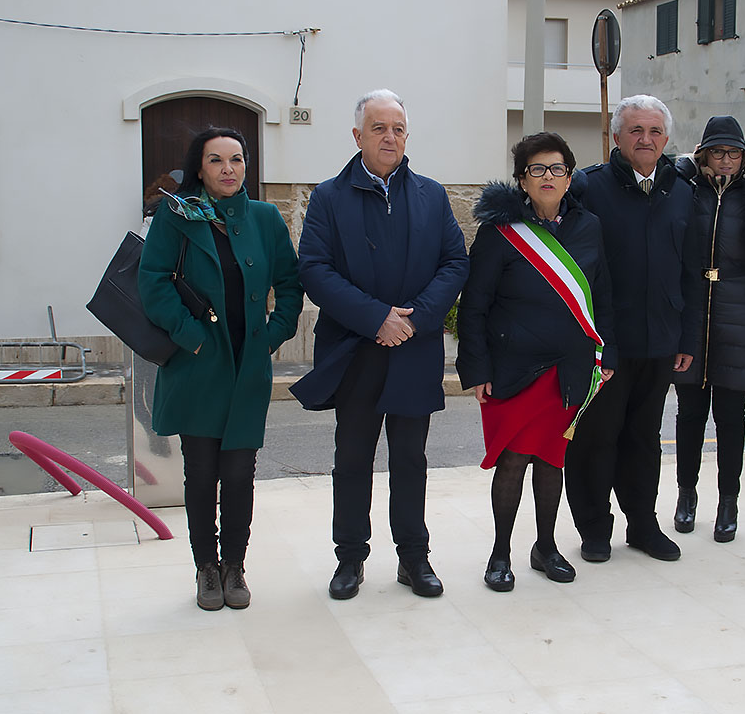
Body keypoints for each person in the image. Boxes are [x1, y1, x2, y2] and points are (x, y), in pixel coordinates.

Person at [291, 89, 468, 600]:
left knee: (411, 460)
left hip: (413, 348)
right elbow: (314, 269)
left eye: (397, 128)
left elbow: (455, 263)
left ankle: (414, 557)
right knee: (352, 459)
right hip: (356, 349)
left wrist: (414, 320)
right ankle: (350, 558)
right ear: (357, 136)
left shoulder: (432, 195)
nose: (389, 136)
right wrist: (376, 319)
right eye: (378, 128)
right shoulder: (328, 197)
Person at [139, 127, 305, 611]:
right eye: (217, 160)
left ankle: (235, 566)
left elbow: (290, 284)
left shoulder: (265, 217)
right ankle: (205, 569)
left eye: (236, 159)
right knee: (201, 474)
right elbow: (152, 283)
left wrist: (273, 335)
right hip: (197, 368)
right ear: (200, 168)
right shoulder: (178, 217)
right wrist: (189, 337)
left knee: (239, 474)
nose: (229, 169)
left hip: (247, 368)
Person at [456, 132, 616, 592]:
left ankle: (545, 547)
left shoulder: (589, 227)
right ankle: (500, 552)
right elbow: (475, 305)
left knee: (551, 461)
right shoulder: (499, 232)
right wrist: (477, 369)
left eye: (557, 169)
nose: (548, 177)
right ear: (521, 179)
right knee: (513, 460)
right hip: (513, 370)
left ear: (570, 176)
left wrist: (609, 354)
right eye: (537, 169)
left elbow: (603, 298)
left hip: (569, 369)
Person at [564, 94, 704, 563]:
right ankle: (594, 529)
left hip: (660, 340)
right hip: (603, 342)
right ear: (617, 136)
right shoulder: (587, 187)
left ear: (666, 139)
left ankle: (642, 524)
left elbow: (690, 270)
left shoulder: (684, 190)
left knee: (644, 439)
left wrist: (687, 336)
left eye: (655, 132)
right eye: (636, 131)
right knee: (596, 439)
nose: (646, 140)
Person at [672, 116, 745, 541]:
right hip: (691, 307)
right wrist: (683, 168)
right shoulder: (688, 187)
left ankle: (728, 501)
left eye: (734, 153)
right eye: (718, 152)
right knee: (690, 415)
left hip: (738, 306)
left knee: (731, 417)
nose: (726, 160)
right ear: (704, 154)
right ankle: (686, 494)